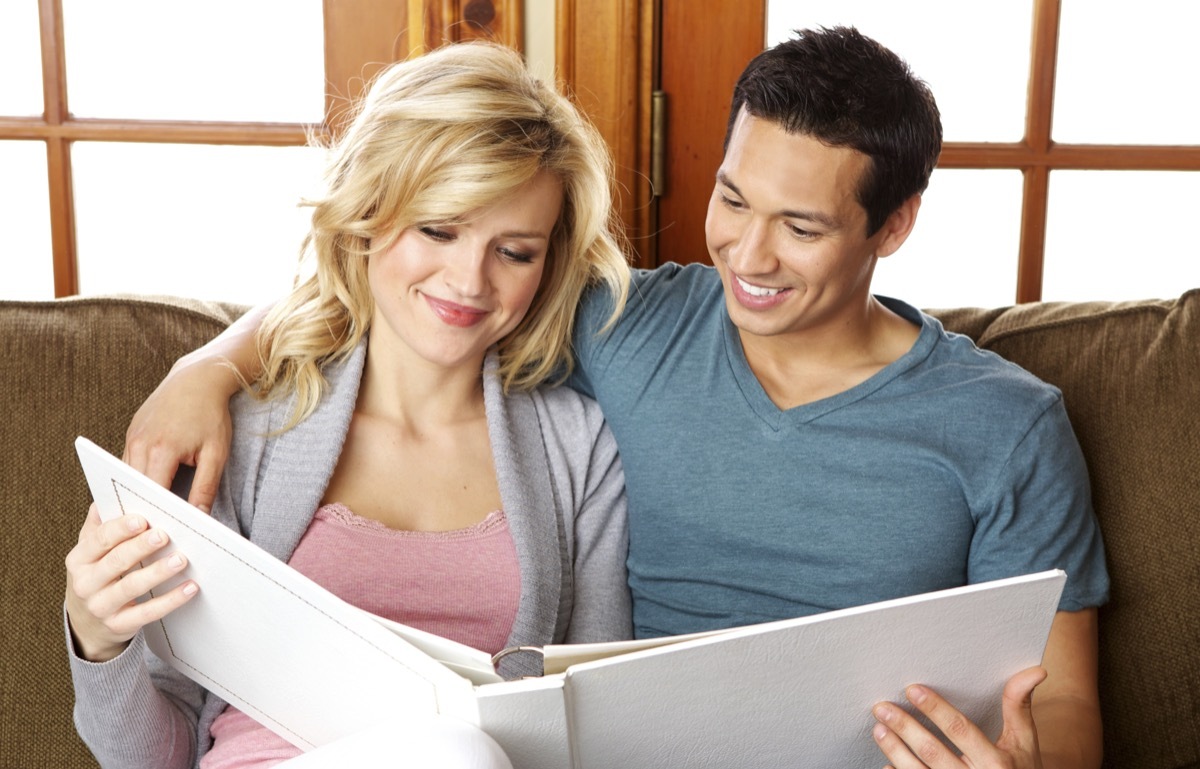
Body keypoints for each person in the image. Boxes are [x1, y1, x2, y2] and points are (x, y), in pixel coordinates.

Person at [116, 27, 1110, 769]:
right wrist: (207, 366)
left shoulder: (1007, 425)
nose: (749, 257)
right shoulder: (630, 323)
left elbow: (1060, 706)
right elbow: (423, 275)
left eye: (801, 228)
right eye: (732, 199)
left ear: (893, 225)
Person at [63, 41, 634, 769]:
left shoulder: (578, 448)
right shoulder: (242, 431)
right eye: (439, 228)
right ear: (368, 216)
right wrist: (98, 640)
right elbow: (151, 757)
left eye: (514, 251)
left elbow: (591, 723)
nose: (469, 279)